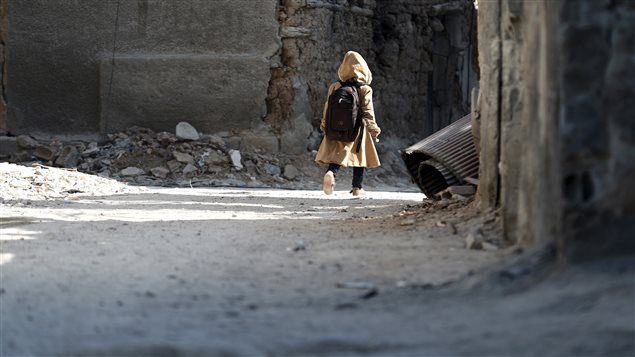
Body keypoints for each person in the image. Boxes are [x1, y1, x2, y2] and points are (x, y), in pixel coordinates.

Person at [315, 51, 381, 197]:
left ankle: (331, 172)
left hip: (335, 128)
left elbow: (327, 107)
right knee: (359, 156)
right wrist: (373, 127)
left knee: (337, 155)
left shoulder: (335, 86)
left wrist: (324, 124)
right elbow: (368, 110)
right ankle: (357, 187)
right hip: (357, 130)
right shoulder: (364, 88)